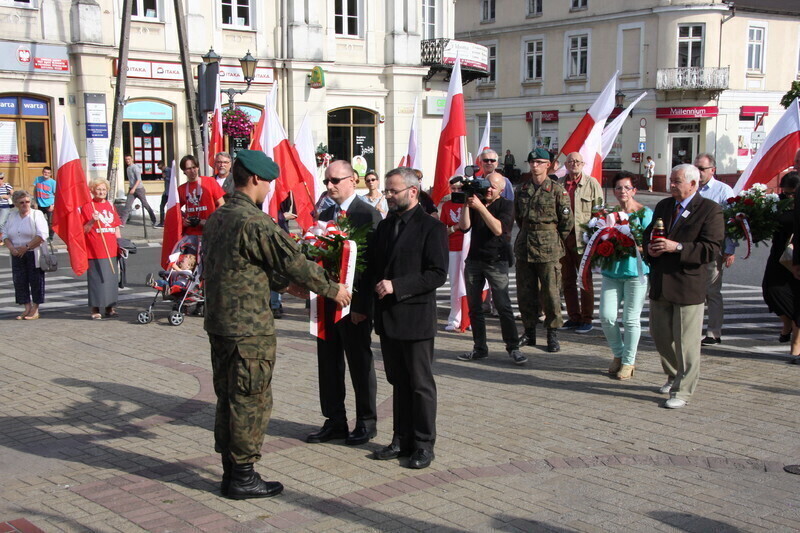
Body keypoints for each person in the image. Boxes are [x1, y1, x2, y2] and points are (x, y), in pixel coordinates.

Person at [203, 149, 350, 499]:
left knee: (227, 397)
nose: (270, 188)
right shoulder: (254, 221)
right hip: (248, 329)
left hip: (221, 325)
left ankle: (230, 471)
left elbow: (245, 267)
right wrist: (333, 289)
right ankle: (243, 476)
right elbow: (293, 261)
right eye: (268, 181)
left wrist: (285, 286)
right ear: (255, 179)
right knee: (250, 400)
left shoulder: (219, 217)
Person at [370, 167, 447, 470]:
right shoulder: (386, 226)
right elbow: (376, 266)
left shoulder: (432, 228)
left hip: (415, 318)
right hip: (389, 318)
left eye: (394, 191)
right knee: (398, 381)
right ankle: (400, 439)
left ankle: (424, 444)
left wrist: (397, 286)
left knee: (419, 384)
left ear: (413, 192)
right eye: (387, 190)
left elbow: (437, 273)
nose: (388, 195)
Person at [307, 160, 382, 446]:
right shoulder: (325, 213)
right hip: (326, 302)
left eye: (335, 181)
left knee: (359, 364)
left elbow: (373, 266)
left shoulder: (368, 215)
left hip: (354, 307)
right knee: (328, 365)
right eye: (327, 181)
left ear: (353, 180)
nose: (329, 186)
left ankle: (366, 422)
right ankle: (334, 420)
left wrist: (363, 307)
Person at [643, 164, 724, 409]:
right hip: (661, 281)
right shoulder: (664, 205)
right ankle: (673, 374)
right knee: (660, 335)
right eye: (671, 180)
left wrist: (676, 247)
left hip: (688, 283)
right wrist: (649, 247)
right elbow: (649, 234)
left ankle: (683, 390)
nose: (672, 185)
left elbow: (711, 248)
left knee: (687, 342)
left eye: (677, 181)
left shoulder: (710, 210)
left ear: (692, 184)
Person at [456, 172, 524, 364]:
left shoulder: (507, 205)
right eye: (487, 185)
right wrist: (466, 203)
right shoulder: (477, 201)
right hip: (474, 260)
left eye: (494, 187)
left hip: (497, 260)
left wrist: (481, 208)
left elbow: (498, 229)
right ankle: (479, 348)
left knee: (503, 306)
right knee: (475, 307)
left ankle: (513, 348)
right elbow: (464, 227)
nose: (489, 189)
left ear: (502, 190)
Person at [514, 148, 573, 352]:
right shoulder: (522, 190)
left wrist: (552, 238)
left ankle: (552, 333)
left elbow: (566, 222)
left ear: (548, 165)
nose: (535, 166)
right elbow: (518, 218)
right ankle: (529, 332)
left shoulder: (557, 191)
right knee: (525, 292)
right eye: (532, 162)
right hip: (525, 246)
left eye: (539, 162)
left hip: (548, 247)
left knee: (551, 293)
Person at [598, 172, 653, 380]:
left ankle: (629, 362)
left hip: (635, 273)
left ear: (634, 191)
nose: (622, 192)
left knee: (630, 320)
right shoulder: (609, 215)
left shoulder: (645, 214)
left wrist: (633, 244)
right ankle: (619, 354)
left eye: (626, 188)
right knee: (607, 316)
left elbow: (650, 242)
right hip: (612, 272)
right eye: (618, 188)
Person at [558, 152, 604, 333]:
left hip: (583, 240)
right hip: (564, 239)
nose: (573, 164)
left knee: (585, 281)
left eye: (577, 161)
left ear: (583, 164)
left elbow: (599, 213)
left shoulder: (591, 184)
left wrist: (595, 238)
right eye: (570, 161)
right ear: (566, 164)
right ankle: (573, 317)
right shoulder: (559, 184)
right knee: (567, 280)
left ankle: (587, 318)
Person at [694, 153, 735, 346]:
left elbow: (733, 221)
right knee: (694, 290)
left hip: (714, 247)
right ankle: (693, 329)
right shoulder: (692, 187)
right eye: (696, 168)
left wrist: (730, 248)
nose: (698, 172)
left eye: (702, 168)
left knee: (712, 290)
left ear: (713, 170)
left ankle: (713, 332)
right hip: (691, 248)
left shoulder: (723, 191)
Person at [762, 172, 800, 361]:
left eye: (793, 194)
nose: (789, 198)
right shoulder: (777, 203)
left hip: (796, 257)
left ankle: (795, 346)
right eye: (785, 194)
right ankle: (787, 323)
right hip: (779, 255)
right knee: (770, 291)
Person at [81, 179, 122, 320]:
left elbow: (116, 226)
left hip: (111, 248)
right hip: (95, 248)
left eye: (104, 189)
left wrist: (120, 243)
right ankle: (95, 308)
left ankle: (110, 307)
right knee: (96, 279)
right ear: (92, 190)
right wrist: (92, 220)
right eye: (98, 189)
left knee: (110, 279)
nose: (102, 192)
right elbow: (83, 230)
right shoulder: (88, 206)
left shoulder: (110, 205)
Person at [3, 190, 48, 320]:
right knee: (20, 281)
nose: (25, 204)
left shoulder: (36, 214)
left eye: (27, 202)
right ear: (16, 204)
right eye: (21, 202)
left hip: (33, 252)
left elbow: (42, 235)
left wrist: (27, 247)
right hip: (16, 253)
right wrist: (11, 247)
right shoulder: (12, 216)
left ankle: (35, 309)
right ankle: (26, 307)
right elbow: (5, 233)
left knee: (36, 281)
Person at [439, 179, 466, 331]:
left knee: (470, 284)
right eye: (453, 188)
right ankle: (455, 318)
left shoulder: (469, 204)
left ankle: (469, 318)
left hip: (468, 248)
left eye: (459, 188)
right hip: (453, 248)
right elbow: (443, 229)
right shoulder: (447, 206)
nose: (456, 191)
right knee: (455, 284)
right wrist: (455, 228)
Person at [177, 154, 225, 240]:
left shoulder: (210, 182)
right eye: (188, 169)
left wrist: (210, 221)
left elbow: (222, 204)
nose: (192, 171)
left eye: (194, 167)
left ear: (198, 167)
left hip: (210, 231)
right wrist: (183, 220)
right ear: (184, 171)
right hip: (191, 234)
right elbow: (174, 210)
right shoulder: (181, 189)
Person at [121, 155, 157, 227]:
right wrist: (131, 188)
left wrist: (134, 188)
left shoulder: (135, 168)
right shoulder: (128, 168)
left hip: (139, 189)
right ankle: (122, 222)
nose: (127, 161)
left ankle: (154, 220)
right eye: (126, 159)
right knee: (127, 205)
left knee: (145, 204)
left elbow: (138, 180)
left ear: (132, 159)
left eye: (129, 159)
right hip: (131, 189)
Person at [33, 166, 56, 239]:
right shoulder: (38, 179)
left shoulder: (53, 182)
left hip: (49, 204)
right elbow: (35, 191)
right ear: (42, 172)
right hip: (39, 204)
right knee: (38, 221)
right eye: (45, 172)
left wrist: (53, 205)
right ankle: (40, 235)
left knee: (50, 222)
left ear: (50, 174)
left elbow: (56, 194)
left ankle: (51, 236)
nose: (46, 174)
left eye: (48, 173)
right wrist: (35, 202)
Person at [156, 161, 172, 227]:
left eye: (160, 168)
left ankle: (167, 221)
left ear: (163, 166)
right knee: (162, 206)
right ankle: (162, 222)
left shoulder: (169, 170)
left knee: (169, 207)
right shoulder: (164, 171)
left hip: (169, 192)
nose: (160, 170)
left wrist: (165, 177)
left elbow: (172, 180)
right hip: (166, 192)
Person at [0, 172, 13, 240]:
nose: (0, 180)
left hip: (5, 207)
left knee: (1, 223)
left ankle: (3, 238)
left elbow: (13, 194)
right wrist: (2, 196)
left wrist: (8, 196)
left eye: (1, 178)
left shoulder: (6, 185)